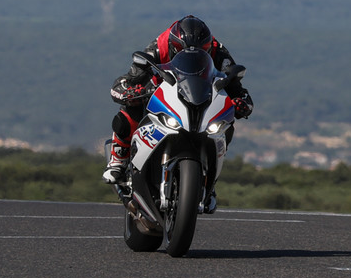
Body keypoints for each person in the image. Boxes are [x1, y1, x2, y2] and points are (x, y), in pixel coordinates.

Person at [104, 15, 251, 183]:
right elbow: (126, 81)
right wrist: (129, 91)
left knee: (227, 119)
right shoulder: (158, 47)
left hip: (201, 97)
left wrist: (242, 103)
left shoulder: (219, 52)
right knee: (131, 108)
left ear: (209, 47)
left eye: (202, 50)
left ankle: (210, 177)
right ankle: (118, 160)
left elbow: (237, 87)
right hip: (163, 90)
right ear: (173, 46)